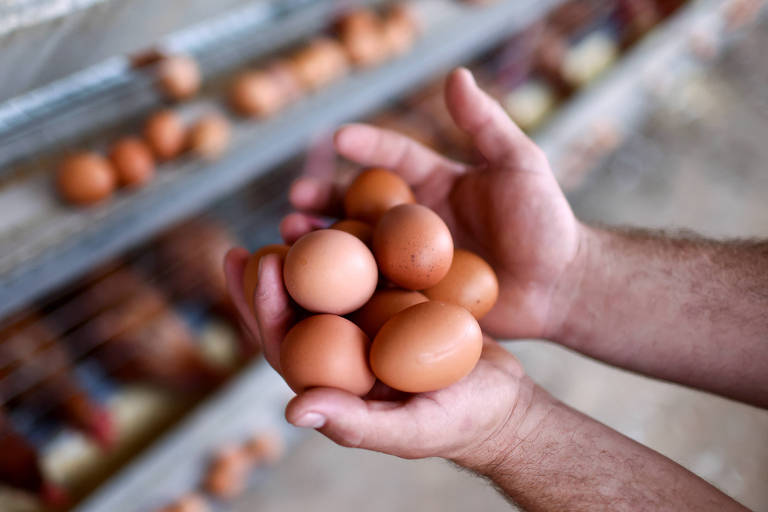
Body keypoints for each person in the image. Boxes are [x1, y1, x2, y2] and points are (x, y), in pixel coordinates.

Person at [223, 68, 766, 510]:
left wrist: (513, 431)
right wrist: (571, 274)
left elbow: (405, 281)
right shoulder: (392, 266)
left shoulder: (403, 277)